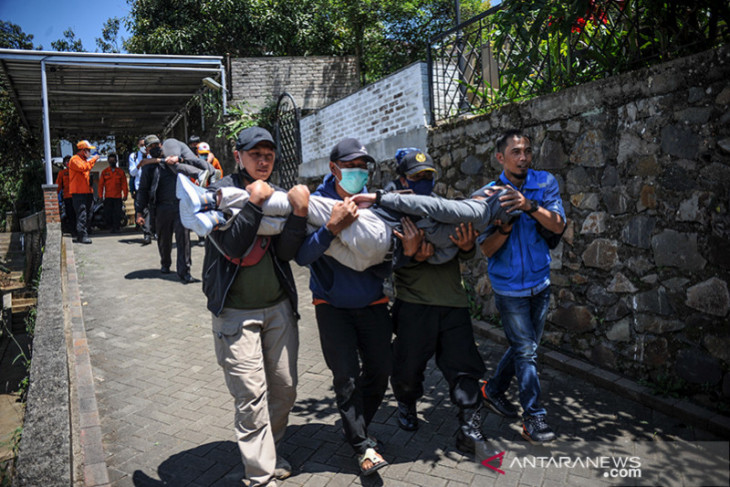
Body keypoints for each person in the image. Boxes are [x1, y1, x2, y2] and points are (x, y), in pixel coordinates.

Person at [294, 138, 421, 476]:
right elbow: (302, 255)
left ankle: (357, 427)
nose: (358, 172)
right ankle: (362, 444)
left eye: (363, 166)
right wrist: (332, 228)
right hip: (331, 303)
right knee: (346, 376)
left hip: (373, 301)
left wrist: (407, 250)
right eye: (350, 166)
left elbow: (389, 260)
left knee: (381, 369)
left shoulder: (376, 202)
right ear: (334, 168)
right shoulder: (315, 204)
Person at [201, 127, 309, 487]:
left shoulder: (276, 195)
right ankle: (260, 477)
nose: (263, 161)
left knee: (285, 388)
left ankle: (272, 450)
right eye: (255, 154)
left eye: (268, 155)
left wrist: (297, 215)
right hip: (235, 313)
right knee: (251, 397)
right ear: (238, 155)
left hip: (277, 308)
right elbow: (231, 246)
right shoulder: (219, 195)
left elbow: (286, 253)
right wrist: (253, 203)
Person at [381, 149, 489, 454]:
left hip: (453, 301)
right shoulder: (392, 212)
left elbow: (463, 248)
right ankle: (406, 402)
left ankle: (469, 426)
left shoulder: (442, 209)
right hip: (414, 303)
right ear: (402, 180)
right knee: (407, 366)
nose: (424, 181)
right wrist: (412, 255)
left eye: (429, 176)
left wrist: (467, 247)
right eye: (417, 177)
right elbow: (386, 261)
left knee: (465, 366)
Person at [476, 129, 566, 445]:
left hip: (540, 284)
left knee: (524, 348)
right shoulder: (488, 194)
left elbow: (558, 224)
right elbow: (486, 249)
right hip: (509, 289)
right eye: (516, 151)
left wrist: (529, 206)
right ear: (500, 157)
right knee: (527, 352)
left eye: (526, 150)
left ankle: (491, 389)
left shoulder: (545, 182)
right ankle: (534, 419)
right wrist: (505, 224)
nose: (523, 157)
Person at [134, 136, 194, 283]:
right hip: (161, 207)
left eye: (157, 145)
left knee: (183, 239)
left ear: (161, 145)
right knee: (163, 239)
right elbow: (143, 190)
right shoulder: (148, 167)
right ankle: (165, 263)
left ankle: (184, 271)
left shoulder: (174, 159)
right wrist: (139, 211)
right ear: (146, 150)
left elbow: (189, 161)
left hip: (180, 205)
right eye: (151, 147)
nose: (155, 148)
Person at [68, 140, 99, 244]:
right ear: (83, 150)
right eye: (88, 150)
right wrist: (94, 159)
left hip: (87, 191)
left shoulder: (84, 160)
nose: (90, 152)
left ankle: (84, 232)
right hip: (78, 192)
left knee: (89, 214)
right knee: (82, 214)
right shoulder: (74, 160)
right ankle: (82, 235)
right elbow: (83, 168)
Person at [129, 137, 154, 245]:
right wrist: (140, 164)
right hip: (140, 187)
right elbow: (132, 173)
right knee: (143, 210)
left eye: (145, 145)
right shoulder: (133, 157)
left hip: (153, 186)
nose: (144, 147)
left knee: (154, 209)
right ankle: (147, 234)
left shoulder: (154, 155)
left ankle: (155, 231)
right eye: (141, 145)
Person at [98, 153, 129, 233]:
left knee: (117, 213)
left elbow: (124, 184)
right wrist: (100, 196)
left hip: (117, 197)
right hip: (108, 197)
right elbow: (101, 185)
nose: (112, 161)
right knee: (108, 213)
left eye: (113, 160)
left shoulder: (120, 172)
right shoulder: (105, 172)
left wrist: (125, 195)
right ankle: (110, 227)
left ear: (116, 160)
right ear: (108, 161)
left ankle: (117, 227)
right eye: (110, 160)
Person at [56, 155, 76, 235]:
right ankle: (72, 230)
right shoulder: (62, 173)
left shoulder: (76, 171)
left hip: (77, 196)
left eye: (69, 161)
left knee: (78, 214)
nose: (68, 163)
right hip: (67, 197)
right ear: (64, 163)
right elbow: (58, 185)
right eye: (66, 161)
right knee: (70, 215)